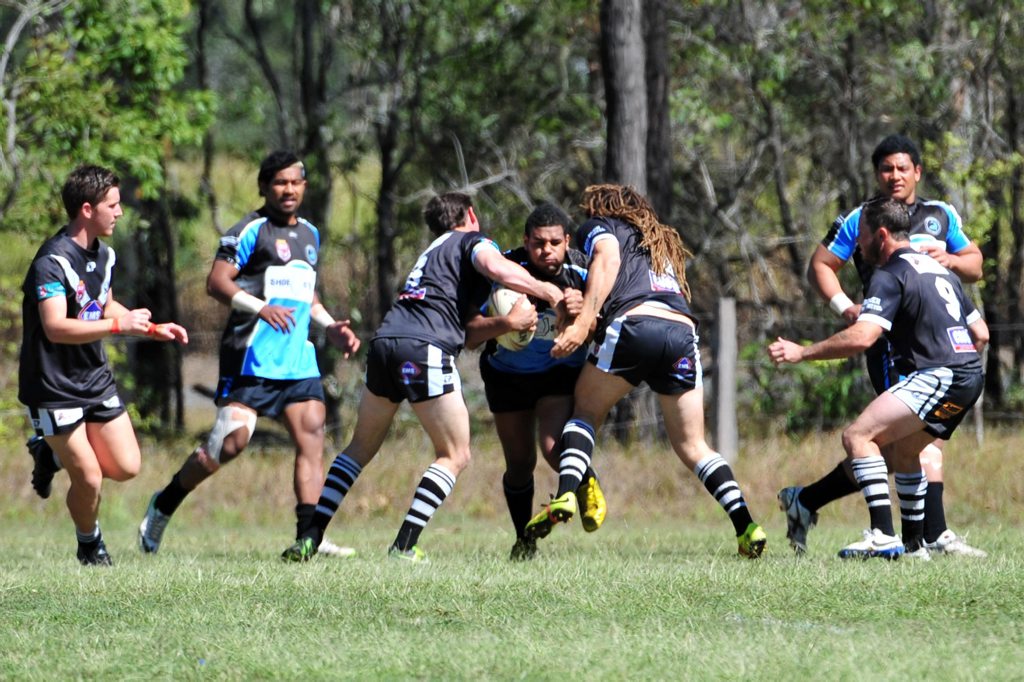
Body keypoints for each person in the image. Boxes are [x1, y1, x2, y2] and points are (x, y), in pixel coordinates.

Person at [281, 191, 566, 563]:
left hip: (385, 343)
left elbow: (462, 322)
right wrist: (548, 291)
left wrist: (504, 323)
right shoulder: (472, 241)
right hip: (425, 348)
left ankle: (311, 536)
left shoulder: (432, 253)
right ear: (471, 215)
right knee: (455, 453)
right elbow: (496, 268)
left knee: (358, 449)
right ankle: (404, 544)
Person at [525, 184, 768, 558]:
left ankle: (565, 496)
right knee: (693, 445)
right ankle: (746, 527)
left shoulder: (600, 226)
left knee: (585, 412)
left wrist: (584, 319)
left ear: (602, 208)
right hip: (682, 332)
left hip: (635, 324)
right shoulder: (661, 240)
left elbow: (607, 261)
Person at [137, 151, 360, 557]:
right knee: (230, 444)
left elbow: (306, 292)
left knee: (311, 437)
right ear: (264, 187)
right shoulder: (249, 230)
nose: (288, 189)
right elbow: (216, 283)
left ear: (304, 186)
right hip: (251, 357)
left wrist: (331, 327)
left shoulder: (310, 233)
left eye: (295, 182)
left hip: (297, 359)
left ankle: (309, 537)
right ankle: (163, 504)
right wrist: (261, 308)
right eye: (279, 182)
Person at [780, 134, 988, 557]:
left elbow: (975, 264)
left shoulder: (939, 216)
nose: (894, 175)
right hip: (927, 356)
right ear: (877, 174)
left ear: (918, 171)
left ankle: (883, 531)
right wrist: (847, 308)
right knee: (904, 446)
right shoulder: (860, 216)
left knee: (874, 441)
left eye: (902, 168)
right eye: (885, 169)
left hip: (931, 359)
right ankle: (925, 538)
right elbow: (821, 263)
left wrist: (803, 351)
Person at [19, 164, 189, 566]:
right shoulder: (51, 262)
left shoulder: (105, 255)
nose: (120, 212)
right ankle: (89, 544)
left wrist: (148, 328)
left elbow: (102, 305)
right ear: (87, 209)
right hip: (53, 387)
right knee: (90, 477)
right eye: (112, 204)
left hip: (93, 379)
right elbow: (56, 327)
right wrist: (116, 326)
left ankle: (50, 455)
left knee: (127, 466)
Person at [464, 203, 606, 561]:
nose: (547, 251)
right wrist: (508, 323)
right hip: (507, 375)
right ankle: (523, 540)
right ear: (526, 242)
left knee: (552, 447)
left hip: (558, 372)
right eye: (538, 243)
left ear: (567, 241)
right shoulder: (504, 271)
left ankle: (582, 482)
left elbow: (602, 331)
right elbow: (470, 335)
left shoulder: (582, 270)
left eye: (555, 243)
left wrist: (583, 314)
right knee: (519, 464)